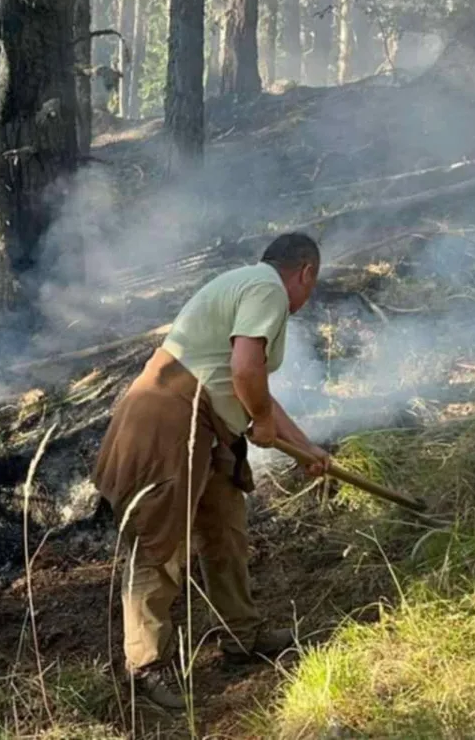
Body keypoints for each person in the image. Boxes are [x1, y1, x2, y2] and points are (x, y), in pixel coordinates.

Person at [92, 231, 332, 710]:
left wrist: (306, 450)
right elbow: (246, 372)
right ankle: (146, 669)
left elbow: (252, 381)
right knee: (159, 543)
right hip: (169, 417)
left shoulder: (249, 286)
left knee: (224, 527)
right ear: (305, 272)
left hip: (206, 425)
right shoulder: (267, 288)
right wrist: (261, 420)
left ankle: (242, 635)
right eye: (313, 283)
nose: (309, 294)